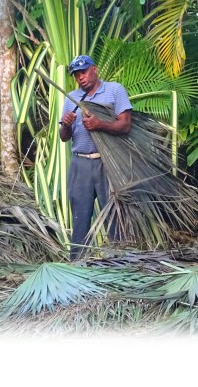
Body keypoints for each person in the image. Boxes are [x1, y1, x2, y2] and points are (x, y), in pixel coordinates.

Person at [59, 55, 132, 259]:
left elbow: (125, 125)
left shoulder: (114, 90)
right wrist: (66, 125)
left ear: (95, 69)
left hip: (107, 163)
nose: (80, 77)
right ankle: (77, 264)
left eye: (83, 72)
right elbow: (64, 137)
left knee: (114, 216)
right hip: (80, 163)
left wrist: (100, 124)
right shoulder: (71, 98)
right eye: (76, 75)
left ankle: (120, 262)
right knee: (80, 217)